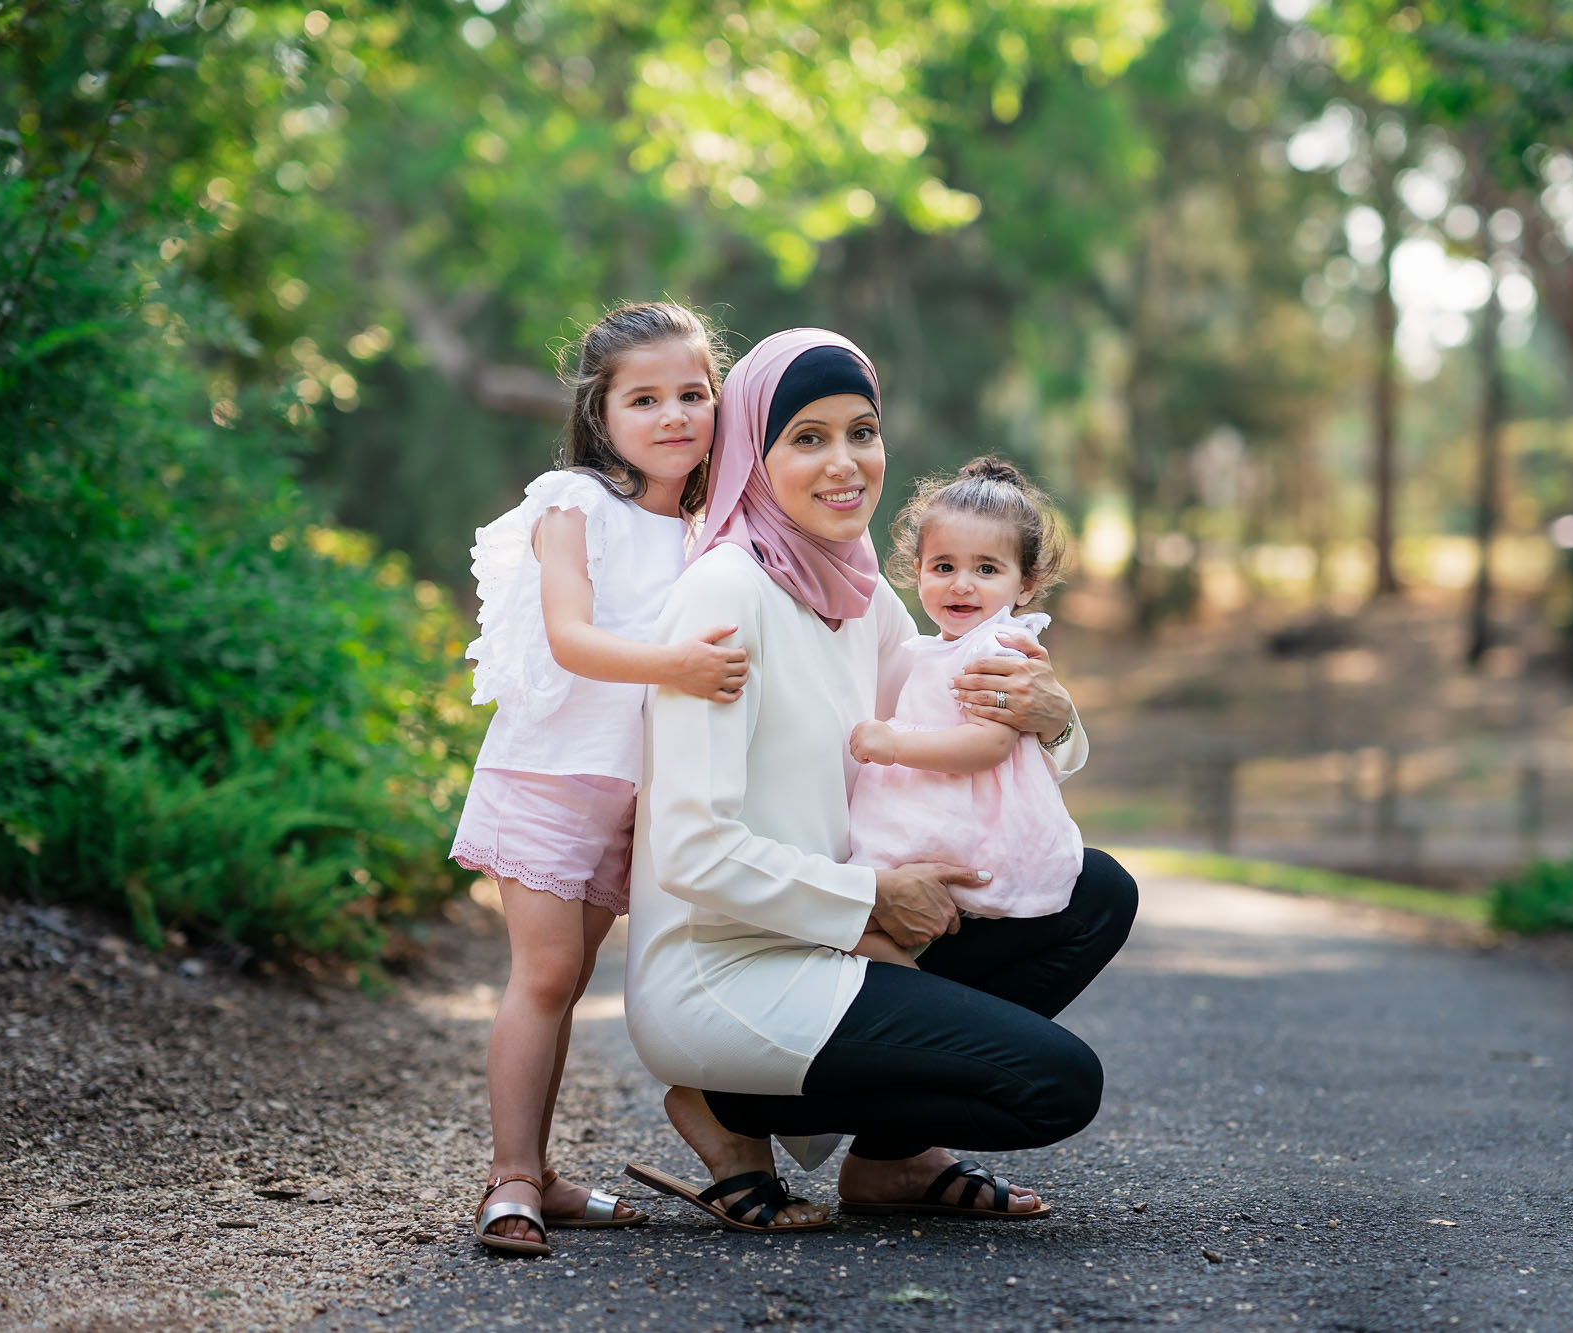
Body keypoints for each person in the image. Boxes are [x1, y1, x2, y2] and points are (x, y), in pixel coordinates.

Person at [621, 328, 1137, 1234]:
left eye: (861, 431)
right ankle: (727, 1104)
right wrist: (870, 898)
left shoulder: (857, 591)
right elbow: (689, 850)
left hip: (840, 933)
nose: (845, 463)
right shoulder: (726, 594)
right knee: (1057, 1086)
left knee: (1092, 892)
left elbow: (966, 712)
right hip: (729, 968)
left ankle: (888, 1161)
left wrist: (1056, 719)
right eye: (807, 438)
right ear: (752, 452)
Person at [451, 302, 750, 1257]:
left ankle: (541, 1172)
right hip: (547, 774)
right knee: (540, 975)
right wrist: (681, 669)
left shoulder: (713, 531)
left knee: (571, 979)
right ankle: (509, 1182)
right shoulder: (574, 505)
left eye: (693, 394)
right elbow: (574, 639)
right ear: (601, 413)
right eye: (645, 398)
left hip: (633, 792)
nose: (674, 415)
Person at [844, 457, 1086, 966]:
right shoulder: (943, 645)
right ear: (918, 572)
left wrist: (895, 746)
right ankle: (914, 989)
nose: (961, 584)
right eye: (944, 566)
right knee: (861, 921)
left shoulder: (996, 648)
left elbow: (990, 744)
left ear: (1025, 584)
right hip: (935, 809)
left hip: (964, 823)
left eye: (987, 569)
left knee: (857, 919)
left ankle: (914, 995)